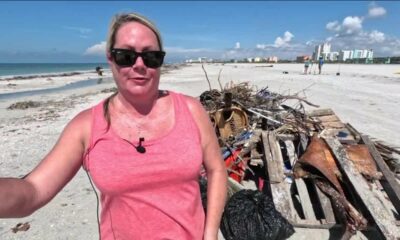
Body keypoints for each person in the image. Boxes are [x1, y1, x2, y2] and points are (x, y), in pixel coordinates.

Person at [0, 12, 228, 240]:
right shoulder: (86, 126)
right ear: (110, 58)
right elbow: (33, 191)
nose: (139, 65)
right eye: (126, 56)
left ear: (160, 61)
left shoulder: (190, 110)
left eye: (151, 56)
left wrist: (210, 234)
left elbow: (217, 169)